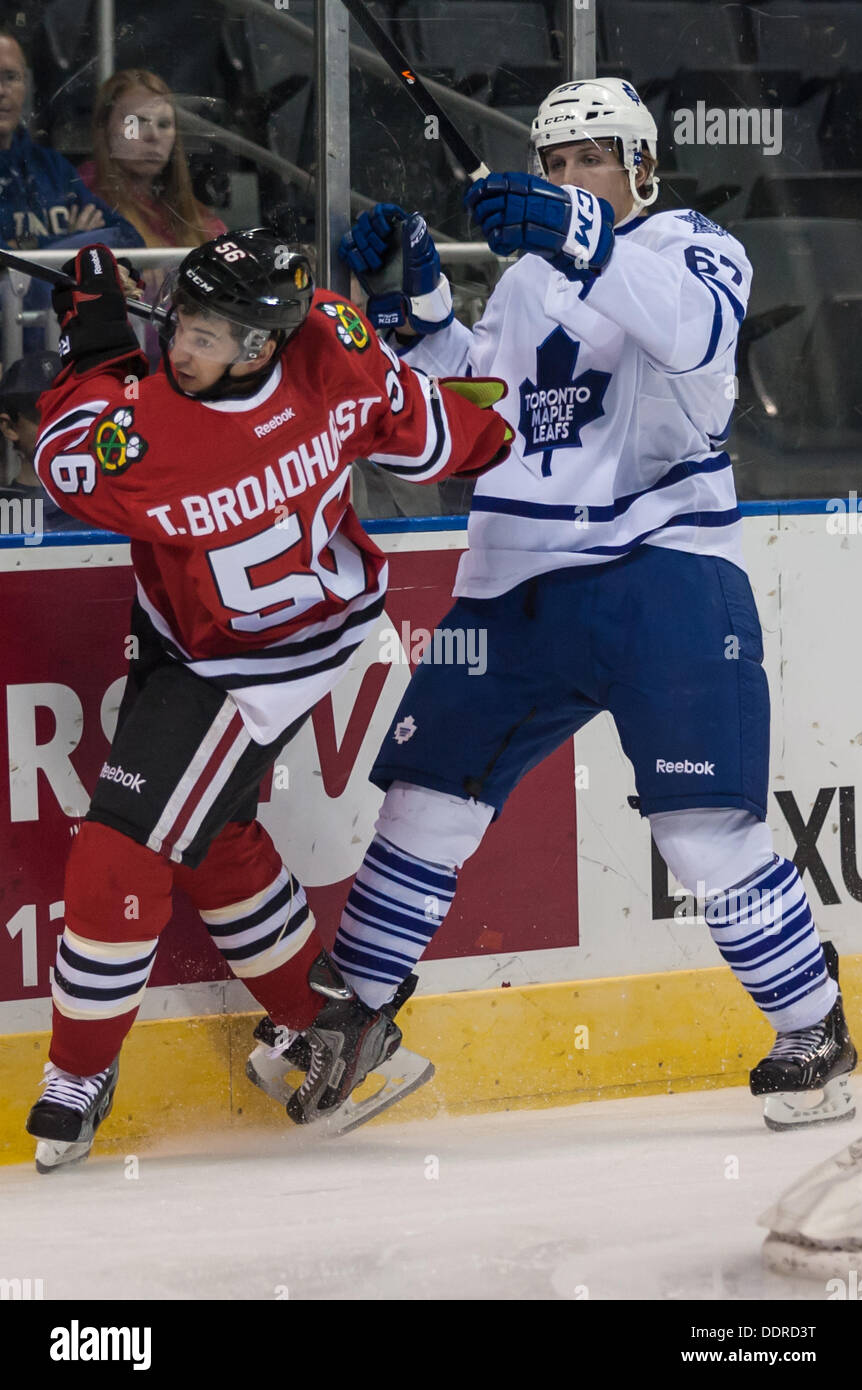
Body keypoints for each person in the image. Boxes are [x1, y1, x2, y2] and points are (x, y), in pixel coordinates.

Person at [258, 78, 858, 1131]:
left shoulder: (692, 245)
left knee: (699, 832)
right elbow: (490, 401)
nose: (571, 176)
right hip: (511, 580)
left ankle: (811, 1025)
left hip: (660, 573)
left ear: (640, 166)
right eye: (557, 161)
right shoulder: (533, 276)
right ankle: (355, 1019)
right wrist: (420, 314)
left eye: (592, 159)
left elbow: (691, 334)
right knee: (423, 800)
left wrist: (577, 234)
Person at [24, 228, 512, 1171]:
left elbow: (66, 450)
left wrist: (92, 334)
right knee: (208, 832)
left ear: (259, 345)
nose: (181, 347)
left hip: (243, 667)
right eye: (181, 322)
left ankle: (78, 1071)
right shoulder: (331, 336)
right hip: (244, 625)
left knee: (122, 843)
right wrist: (513, 431)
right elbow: (434, 431)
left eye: (206, 336)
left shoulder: (161, 443)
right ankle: (327, 1024)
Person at [0, 28, 141, 250]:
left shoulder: (50, 166)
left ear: (26, 86)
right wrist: (76, 240)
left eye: (11, 77)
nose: (2, 91)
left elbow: (130, 239)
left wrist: (27, 246)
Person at [79, 69, 227, 249]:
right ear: (104, 128)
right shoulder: (82, 201)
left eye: (164, 124)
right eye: (136, 122)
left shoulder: (198, 220)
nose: (154, 136)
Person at [0, 351, 89, 533]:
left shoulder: (109, 506)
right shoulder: (4, 512)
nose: (65, 428)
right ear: (9, 428)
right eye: (47, 416)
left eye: (73, 413)